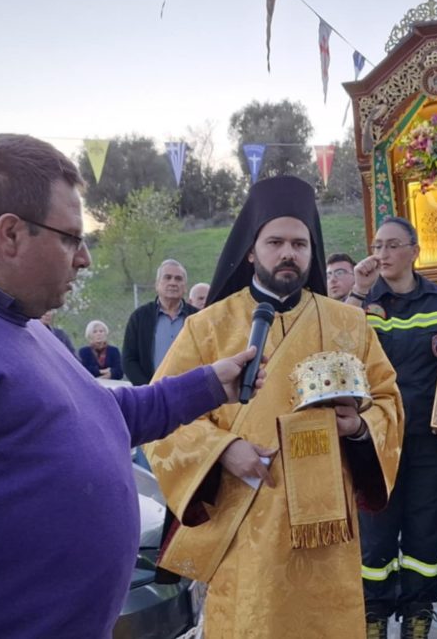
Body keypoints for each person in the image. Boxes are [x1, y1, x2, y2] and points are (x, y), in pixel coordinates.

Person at [0, 133, 263, 638]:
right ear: (11, 234)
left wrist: (211, 385)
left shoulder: (20, 324)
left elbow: (106, 416)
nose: (83, 258)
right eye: (70, 237)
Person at [144, 176, 403, 639]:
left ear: (312, 251)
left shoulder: (349, 322)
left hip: (327, 529)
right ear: (250, 251)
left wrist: (359, 427)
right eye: (276, 242)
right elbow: (164, 416)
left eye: (300, 243)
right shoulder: (208, 327)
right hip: (246, 513)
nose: (289, 253)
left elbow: (387, 401)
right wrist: (223, 449)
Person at [347, 215, 437, 638]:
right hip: (375, 441)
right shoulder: (363, 300)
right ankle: (373, 614)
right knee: (376, 535)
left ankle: (418, 612)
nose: (382, 254)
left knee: (425, 534)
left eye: (392, 245)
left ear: (415, 251)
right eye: (377, 245)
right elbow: (340, 346)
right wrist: (358, 291)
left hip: (433, 443)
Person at [123, 259, 198, 385]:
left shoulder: (197, 317)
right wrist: (148, 389)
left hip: (190, 393)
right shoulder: (140, 317)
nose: (173, 283)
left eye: (178, 279)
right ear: (157, 285)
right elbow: (129, 359)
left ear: (185, 287)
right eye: (167, 277)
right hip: (151, 393)